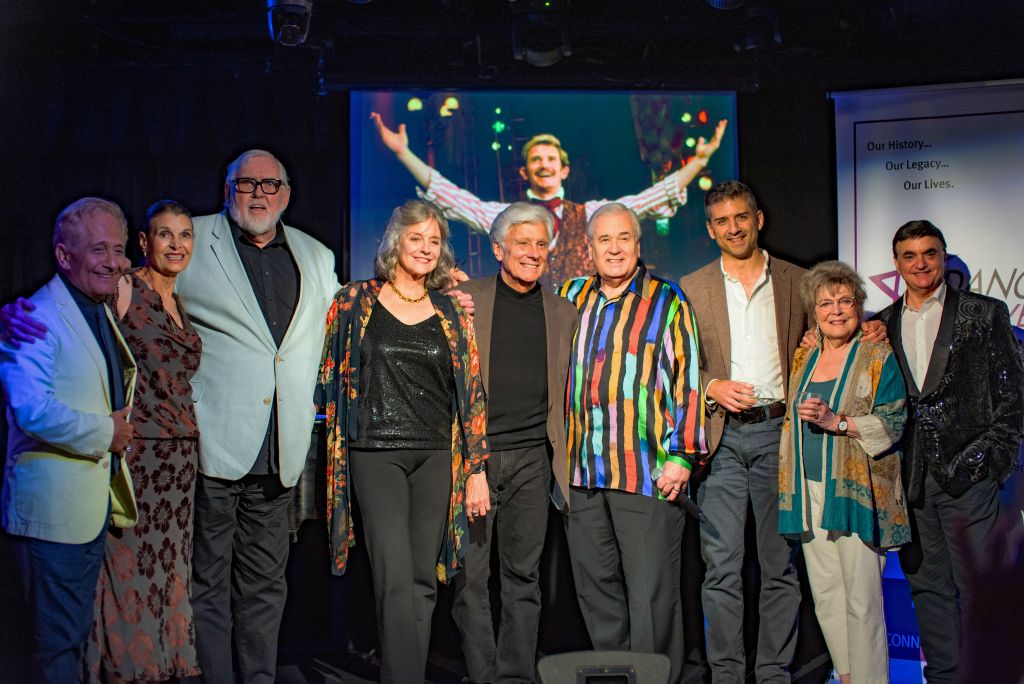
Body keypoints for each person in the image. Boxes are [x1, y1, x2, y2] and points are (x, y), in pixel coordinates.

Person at [317, 199, 489, 684]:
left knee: (421, 581)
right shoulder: (355, 301)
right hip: (376, 453)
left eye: (435, 241)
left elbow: (471, 391)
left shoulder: (453, 310)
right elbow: (330, 375)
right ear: (396, 241)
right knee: (394, 581)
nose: (426, 249)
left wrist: (474, 466)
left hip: (436, 454)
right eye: (417, 238)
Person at [558, 202, 707, 684]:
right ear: (590, 247)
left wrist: (682, 457)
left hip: (646, 472)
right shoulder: (570, 295)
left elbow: (688, 381)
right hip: (581, 474)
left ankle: (657, 679)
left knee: (651, 598)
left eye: (624, 238)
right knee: (596, 592)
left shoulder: (667, 300)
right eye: (604, 240)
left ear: (638, 246)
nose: (615, 248)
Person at [874, 220, 1024, 683]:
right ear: (896, 263)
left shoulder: (985, 313)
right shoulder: (881, 325)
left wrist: (989, 463)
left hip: (971, 476)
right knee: (927, 589)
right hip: (910, 481)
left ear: (943, 256)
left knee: (980, 589)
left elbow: (1013, 396)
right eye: (910, 255)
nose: (921, 263)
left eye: (930, 253)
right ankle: (942, 676)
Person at [0, 197, 138, 683]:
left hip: (88, 508)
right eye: (98, 249)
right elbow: (31, 409)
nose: (113, 261)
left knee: (75, 641)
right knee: (56, 649)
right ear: (64, 256)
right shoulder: (33, 317)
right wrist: (108, 432)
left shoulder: (97, 303)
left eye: (118, 249)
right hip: (52, 516)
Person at [679, 180, 804, 683]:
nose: (733, 227)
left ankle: (773, 673)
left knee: (780, 567)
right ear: (711, 230)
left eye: (741, 217)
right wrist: (711, 385)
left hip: (781, 435)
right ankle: (727, 675)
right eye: (722, 221)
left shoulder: (798, 280)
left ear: (758, 219)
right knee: (722, 568)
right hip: (722, 440)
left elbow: (834, 335)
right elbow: (676, 364)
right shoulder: (691, 287)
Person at [370, 112, 728, 288]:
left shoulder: (590, 214)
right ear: (524, 172)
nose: (543, 165)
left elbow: (648, 200)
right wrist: (404, 154)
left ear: (564, 170)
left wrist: (699, 160)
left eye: (550, 160)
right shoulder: (505, 218)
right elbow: (456, 199)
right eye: (535, 160)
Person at [450, 202, 578, 683]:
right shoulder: (467, 299)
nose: (533, 252)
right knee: (471, 580)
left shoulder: (563, 313)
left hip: (531, 462)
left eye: (542, 245)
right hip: (474, 459)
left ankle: (516, 677)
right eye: (523, 243)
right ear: (499, 248)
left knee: (524, 579)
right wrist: (469, 466)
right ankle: (483, 675)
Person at [83, 200, 203, 682]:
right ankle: (128, 667)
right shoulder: (126, 287)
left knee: (172, 564)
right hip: (141, 453)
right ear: (144, 242)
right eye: (165, 234)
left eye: (185, 235)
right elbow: (88, 345)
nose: (176, 244)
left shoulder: (182, 301)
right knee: (130, 561)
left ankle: (168, 659)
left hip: (182, 456)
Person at [778, 260, 909, 684]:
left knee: (863, 600)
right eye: (826, 303)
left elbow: (894, 420)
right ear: (813, 313)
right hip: (808, 488)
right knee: (828, 595)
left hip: (855, 491)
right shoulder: (805, 356)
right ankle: (847, 675)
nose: (836, 310)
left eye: (845, 301)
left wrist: (840, 423)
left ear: (859, 306)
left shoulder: (876, 354)